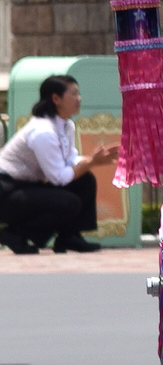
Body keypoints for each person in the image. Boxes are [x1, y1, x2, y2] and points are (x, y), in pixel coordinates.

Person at [0, 75, 119, 254]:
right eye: (74, 94)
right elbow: (58, 178)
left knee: (85, 180)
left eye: (79, 93)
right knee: (68, 202)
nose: (79, 99)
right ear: (56, 98)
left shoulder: (66, 125)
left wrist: (94, 159)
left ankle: (69, 237)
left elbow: (71, 160)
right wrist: (92, 161)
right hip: (7, 192)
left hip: (26, 187)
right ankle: (14, 234)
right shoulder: (43, 131)